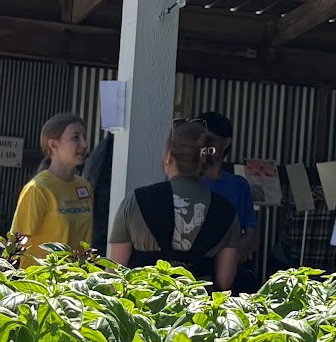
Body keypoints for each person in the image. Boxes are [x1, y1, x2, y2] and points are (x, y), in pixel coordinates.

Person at [106, 118, 242, 289]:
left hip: (142, 310)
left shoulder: (136, 201)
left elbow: (114, 277)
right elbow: (224, 283)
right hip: (197, 312)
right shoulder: (226, 212)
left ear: (169, 157)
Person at [8, 110, 93, 265]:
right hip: (41, 284)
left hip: (77, 284)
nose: (84, 144)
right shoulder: (37, 189)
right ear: (53, 144)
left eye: (84, 137)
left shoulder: (85, 187)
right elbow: (15, 242)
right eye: (76, 138)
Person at [195, 109, 262, 283]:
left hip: (232, 271)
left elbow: (252, 235)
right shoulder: (188, 181)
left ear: (225, 143)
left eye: (210, 139)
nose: (203, 146)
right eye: (200, 140)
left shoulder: (239, 185)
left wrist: (233, 254)